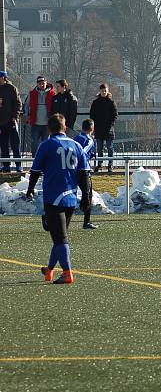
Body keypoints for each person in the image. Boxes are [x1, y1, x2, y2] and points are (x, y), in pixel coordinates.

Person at [26, 114, 91, 285]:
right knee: (59, 237)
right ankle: (49, 270)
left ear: (49, 128)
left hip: (54, 199)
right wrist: (86, 196)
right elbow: (84, 174)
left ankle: (67, 273)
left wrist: (30, 189)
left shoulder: (46, 145)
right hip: (70, 199)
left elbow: (34, 171)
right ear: (65, 127)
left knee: (60, 238)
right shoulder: (77, 145)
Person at [72, 119, 98, 230]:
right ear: (92, 128)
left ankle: (52, 218)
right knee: (87, 195)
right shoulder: (89, 140)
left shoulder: (75, 138)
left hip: (71, 169)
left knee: (69, 194)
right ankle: (86, 222)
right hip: (83, 170)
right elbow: (82, 152)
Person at [89, 83, 118, 174]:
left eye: (105, 90)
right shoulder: (96, 103)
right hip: (99, 129)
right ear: (100, 91)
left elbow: (115, 115)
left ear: (107, 91)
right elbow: (92, 115)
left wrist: (111, 125)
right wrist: (94, 126)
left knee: (110, 147)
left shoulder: (111, 102)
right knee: (99, 148)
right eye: (102, 90)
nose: (104, 92)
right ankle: (100, 164)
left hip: (109, 129)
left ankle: (110, 164)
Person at [25, 76, 55, 156]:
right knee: (35, 143)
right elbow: (26, 105)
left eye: (43, 83)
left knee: (46, 143)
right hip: (35, 123)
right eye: (39, 83)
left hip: (47, 124)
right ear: (37, 84)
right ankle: (35, 160)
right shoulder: (32, 93)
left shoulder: (52, 93)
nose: (41, 85)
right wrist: (27, 115)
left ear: (46, 83)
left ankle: (46, 160)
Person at [0, 70, 23, 173]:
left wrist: (15, 116)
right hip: (1, 122)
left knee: (15, 144)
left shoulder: (12, 88)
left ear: (4, 78)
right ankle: (6, 166)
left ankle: (18, 165)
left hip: (11, 121)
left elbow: (18, 104)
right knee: (3, 145)